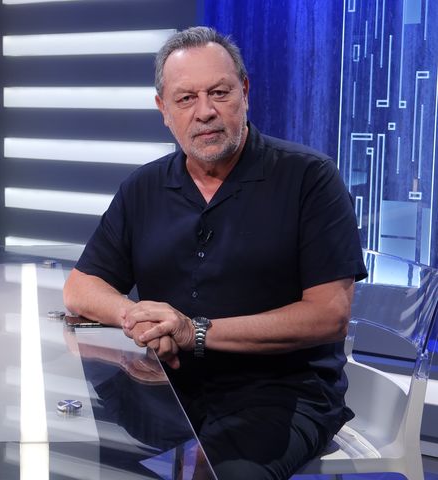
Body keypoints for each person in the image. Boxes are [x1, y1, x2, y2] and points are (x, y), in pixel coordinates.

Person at [63, 26, 367, 480]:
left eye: (219, 93)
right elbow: (80, 287)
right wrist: (137, 317)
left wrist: (194, 332)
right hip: (167, 379)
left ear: (245, 92)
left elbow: (328, 316)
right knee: (74, 452)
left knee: (225, 473)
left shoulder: (310, 178)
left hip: (281, 391)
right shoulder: (144, 187)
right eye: (186, 99)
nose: (204, 111)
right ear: (163, 110)